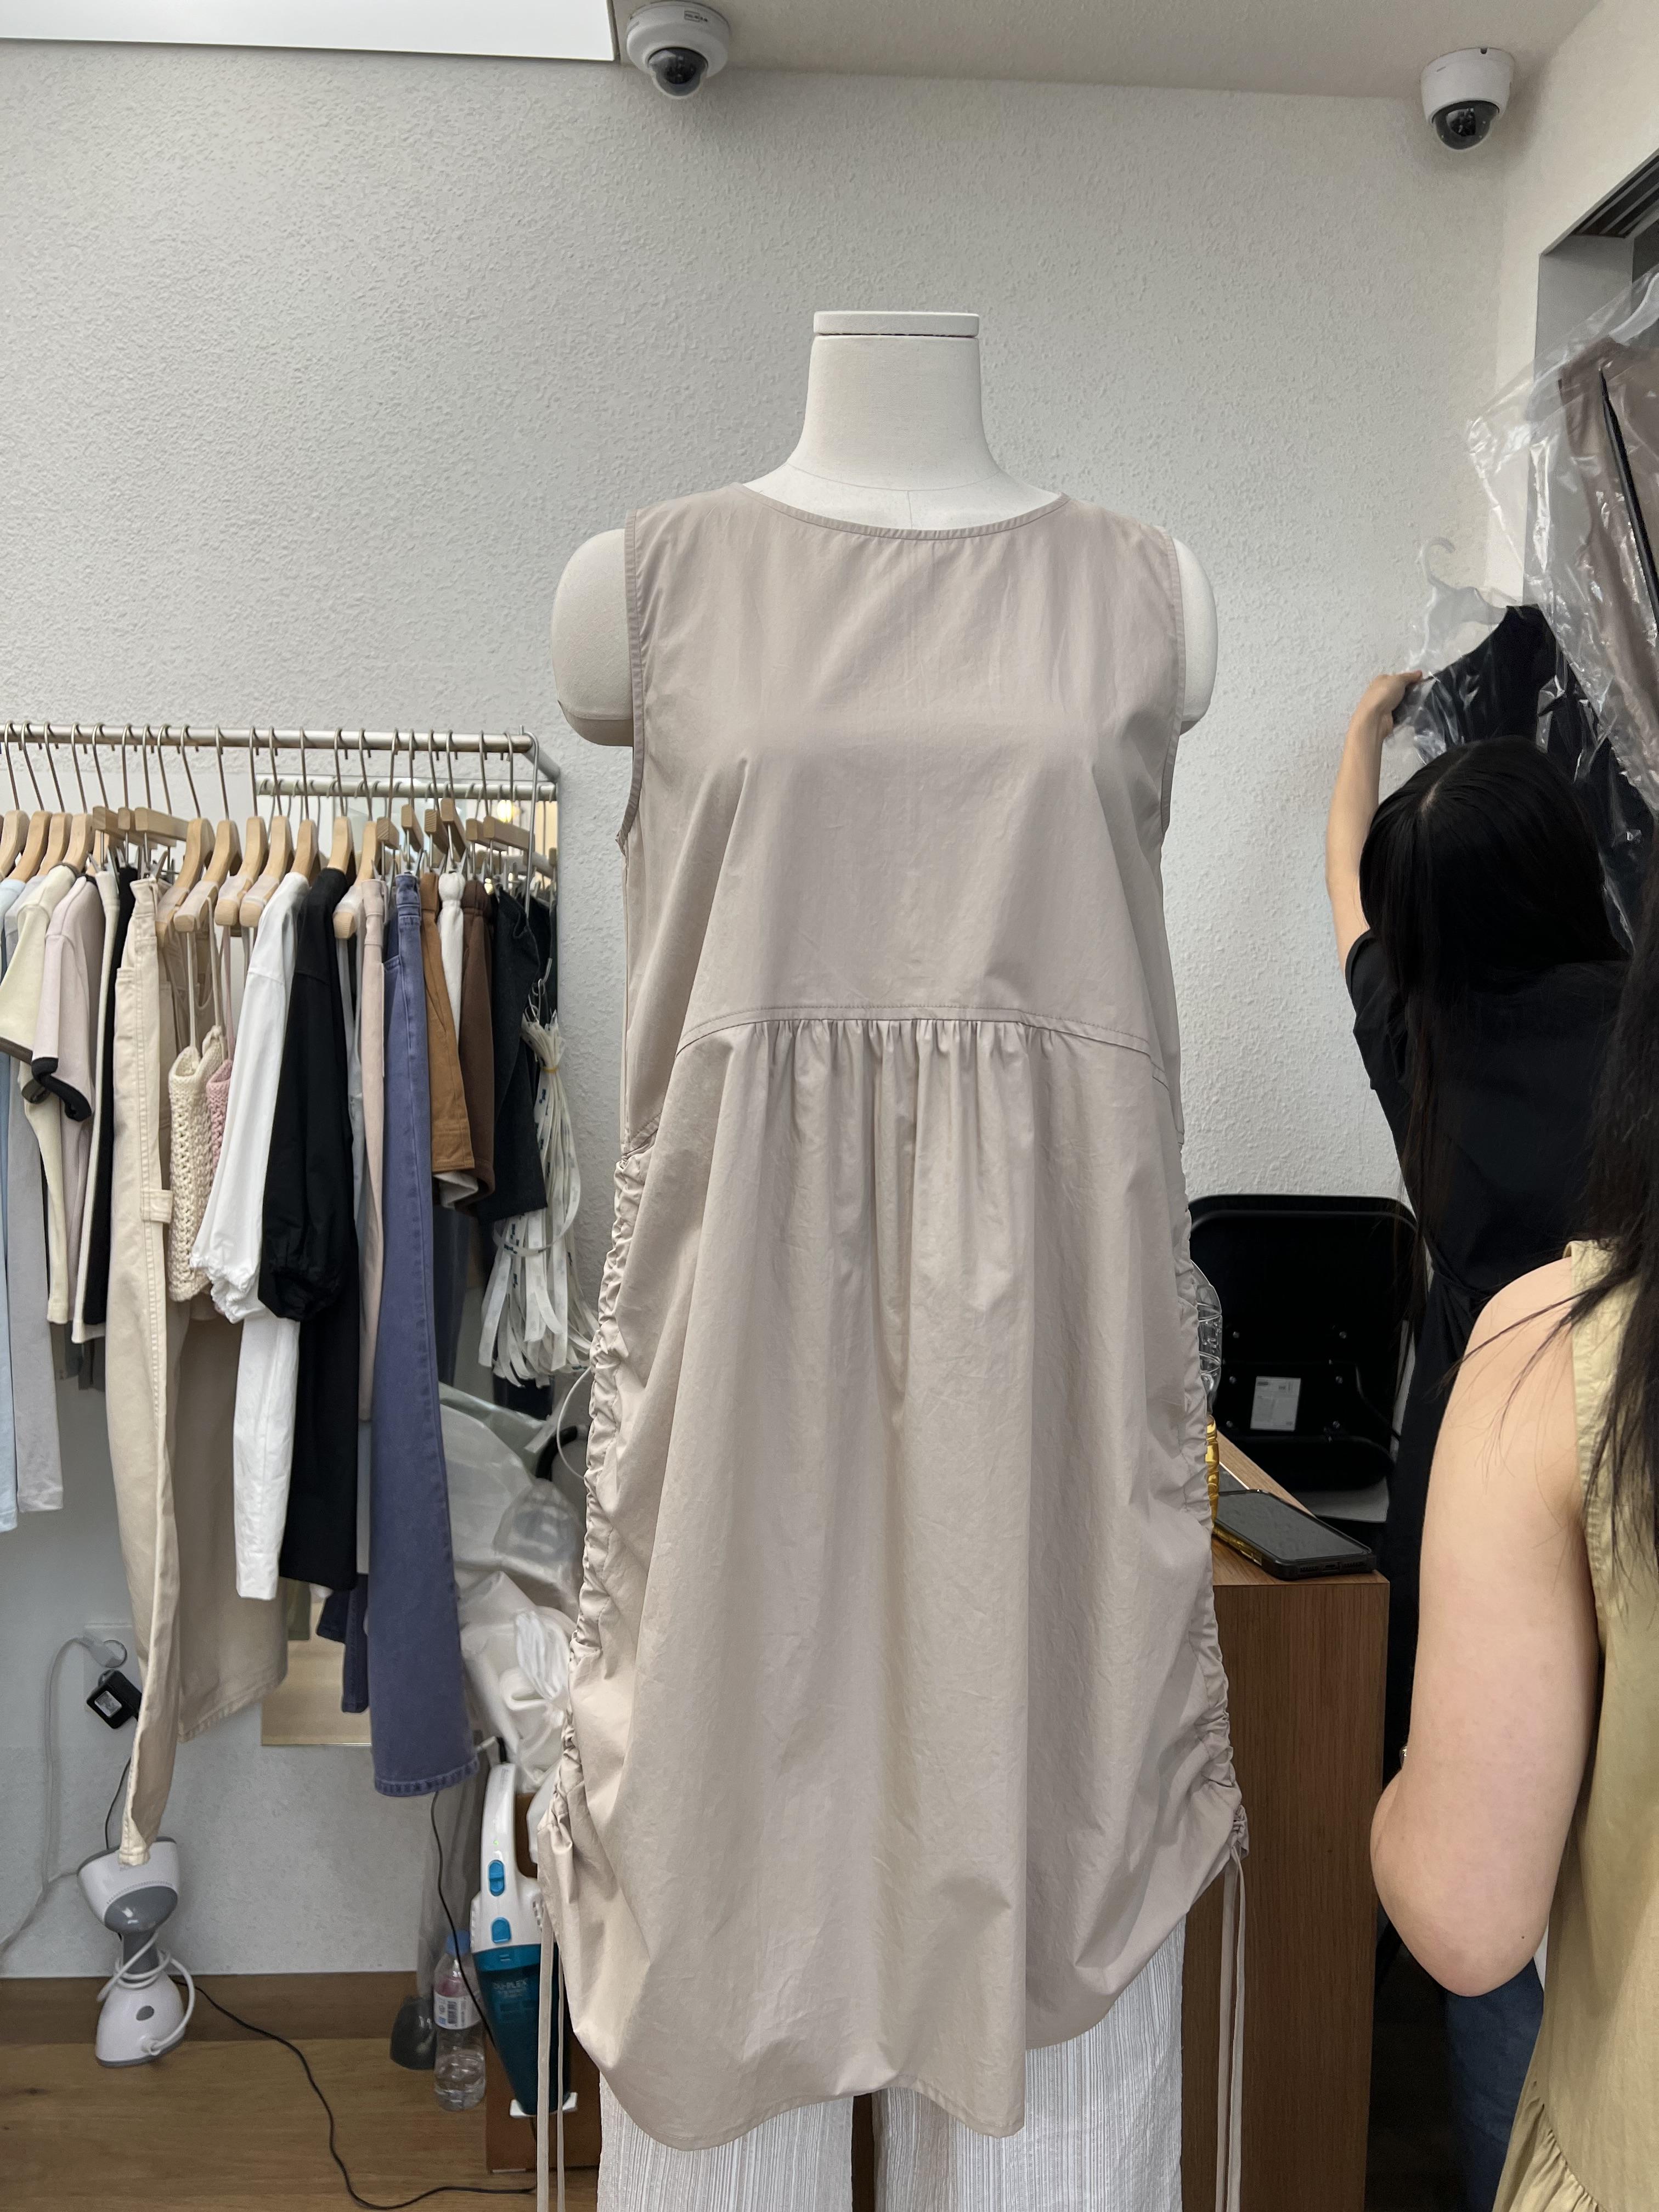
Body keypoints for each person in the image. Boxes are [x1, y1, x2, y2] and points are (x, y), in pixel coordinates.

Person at [1324, 675, 1627, 2207]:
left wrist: (1360, 735)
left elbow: (1343, 890)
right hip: (1627, 1479)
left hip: (1478, 1495)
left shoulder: (1421, 1044)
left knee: (1482, 1904)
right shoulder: (1641, 1037)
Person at [1370, 843, 1659, 2210]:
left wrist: (1395, 1799)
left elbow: (1468, 1914)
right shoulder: (1592, 1014)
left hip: (1495, 1505)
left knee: (1505, 1967)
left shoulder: (1425, 1046)